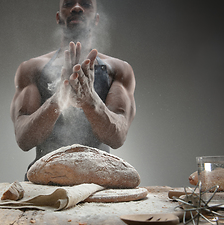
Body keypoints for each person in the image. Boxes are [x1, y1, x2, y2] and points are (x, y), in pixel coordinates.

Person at [10, 0, 136, 180]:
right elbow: (24, 139)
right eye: (68, 3)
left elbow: (117, 137)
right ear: (58, 17)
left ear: (96, 19)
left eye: (86, 3)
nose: (77, 7)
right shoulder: (32, 69)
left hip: (98, 185)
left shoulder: (118, 70)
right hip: (44, 184)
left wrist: (90, 101)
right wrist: (58, 100)